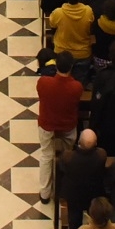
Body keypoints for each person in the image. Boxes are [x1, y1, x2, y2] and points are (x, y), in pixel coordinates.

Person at [37, 51, 84, 201]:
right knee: (67, 155)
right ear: (71, 67)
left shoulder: (44, 82)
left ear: (56, 65)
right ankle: (64, 188)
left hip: (47, 123)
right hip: (67, 125)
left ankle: (45, 193)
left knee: (46, 155)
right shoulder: (77, 87)